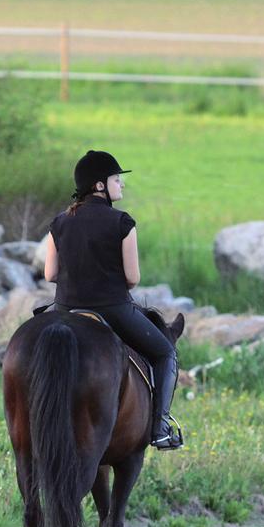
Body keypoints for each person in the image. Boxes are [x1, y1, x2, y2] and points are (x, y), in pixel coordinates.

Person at [43, 150, 183, 450]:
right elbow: (132, 279)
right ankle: (159, 428)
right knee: (164, 353)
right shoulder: (122, 222)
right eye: (116, 179)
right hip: (113, 309)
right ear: (99, 186)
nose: (121, 185)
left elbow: (50, 273)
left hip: (66, 309)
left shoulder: (59, 222)